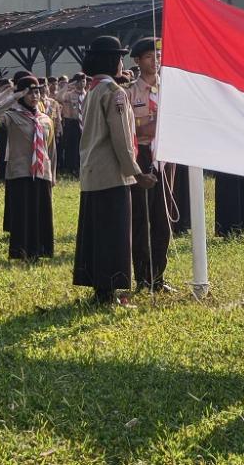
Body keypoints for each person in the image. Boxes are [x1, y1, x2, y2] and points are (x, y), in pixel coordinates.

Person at [72, 36, 157, 305]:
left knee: (97, 234)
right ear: (112, 61)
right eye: (119, 57)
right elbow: (121, 138)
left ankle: (100, 288)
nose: (122, 62)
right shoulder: (114, 93)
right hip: (111, 174)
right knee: (113, 234)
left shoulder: (93, 90)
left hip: (92, 172)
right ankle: (108, 291)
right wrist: (136, 172)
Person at [126, 37, 177, 293]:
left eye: (157, 56)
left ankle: (158, 276)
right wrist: (145, 126)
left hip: (165, 156)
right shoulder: (129, 93)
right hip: (142, 154)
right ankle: (142, 276)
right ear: (137, 60)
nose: (155, 61)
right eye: (149, 57)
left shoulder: (168, 89)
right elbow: (126, 128)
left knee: (163, 217)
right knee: (141, 216)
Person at [0, 75, 57, 262]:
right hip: (20, 171)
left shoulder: (45, 119)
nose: (34, 96)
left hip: (42, 171)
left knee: (41, 212)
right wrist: (14, 96)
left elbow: (51, 149)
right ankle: (22, 250)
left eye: (37, 92)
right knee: (23, 213)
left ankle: (41, 249)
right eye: (29, 93)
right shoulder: (11, 116)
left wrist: (53, 173)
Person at [58, 73, 87, 175]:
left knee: (83, 145)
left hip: (84, 123)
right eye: (79, 81)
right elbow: (59, 97)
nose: (81, 83)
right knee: (73, 146)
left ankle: (82, 166)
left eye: (83, 81)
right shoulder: (70, 94)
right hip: (73, 122)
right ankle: (72, 167)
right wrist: (67, 86)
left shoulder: (87, 95)